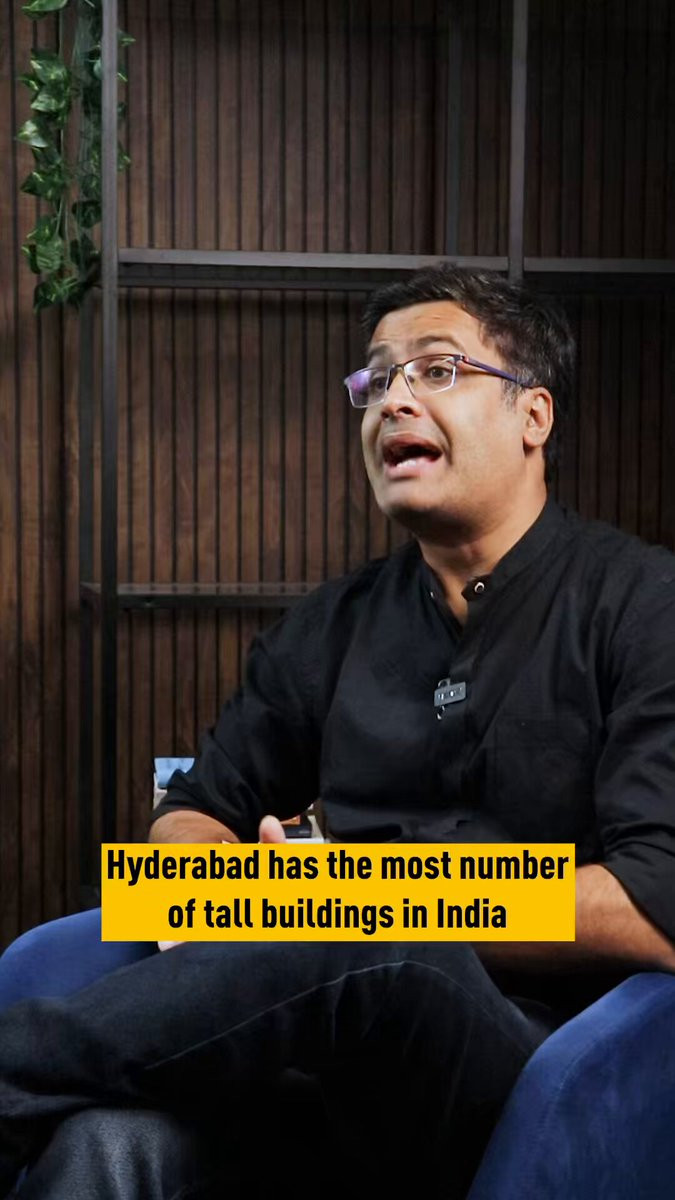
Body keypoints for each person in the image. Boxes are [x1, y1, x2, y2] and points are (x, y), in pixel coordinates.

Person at [2, 265, 675, 1200]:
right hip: (312, 1056)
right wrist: (231, 884)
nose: (392, 399)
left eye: (436, 369)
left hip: (529, 1071)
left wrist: (354, 894)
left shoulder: (642, 603)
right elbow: (191, 813)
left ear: (533, 416)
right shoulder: (330, 623)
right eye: (376, 377)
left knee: (360, 920)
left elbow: (653, 904)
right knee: (104, 1147)